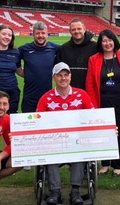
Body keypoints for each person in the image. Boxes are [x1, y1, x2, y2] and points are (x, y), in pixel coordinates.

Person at [36, 62, 94, 205]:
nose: (63, 78)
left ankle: (75, 191)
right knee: (50, 154)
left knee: (80, 153)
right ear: (54, 77)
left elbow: (94, 117)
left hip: (75, 140)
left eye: (66, 75)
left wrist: (108, 128)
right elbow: (37, 122)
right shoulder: (46, 98)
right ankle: (55, 192)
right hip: (55, 141)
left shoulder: (81, 95)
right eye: (59, 75)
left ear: (70, 76)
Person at [85, 29, 120, 177]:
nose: (107, 43)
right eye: (104, 41)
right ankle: (104, 164)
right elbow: (90, 84)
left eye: (109, 40)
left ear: (114, 41)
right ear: (100, 43)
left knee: (119, 134)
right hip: (101, 100)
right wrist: (93, 106)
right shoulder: (94, 59)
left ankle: (117, 165)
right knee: (102, 133)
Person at [19, 21, 60, 112]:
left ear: (47, 34)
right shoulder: (24, 49)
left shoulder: (54, 48)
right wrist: (26, 73)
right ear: (33, 35)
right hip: (29, 96)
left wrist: (88, 39)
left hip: (47, 95)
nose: (40, 36)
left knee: (46, 123)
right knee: (29, 123)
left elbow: (71, 48)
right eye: (37, 33)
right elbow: (11, 57)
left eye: (43, 33)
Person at [55, 18, 97, 90]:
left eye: (79, 29)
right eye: (73, 29)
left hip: (90, 91)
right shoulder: (63, 49)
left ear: (84, 29)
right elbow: (57, 72)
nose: (76, 31)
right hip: (69, 92)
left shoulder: (95, 47)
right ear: (70, 32)